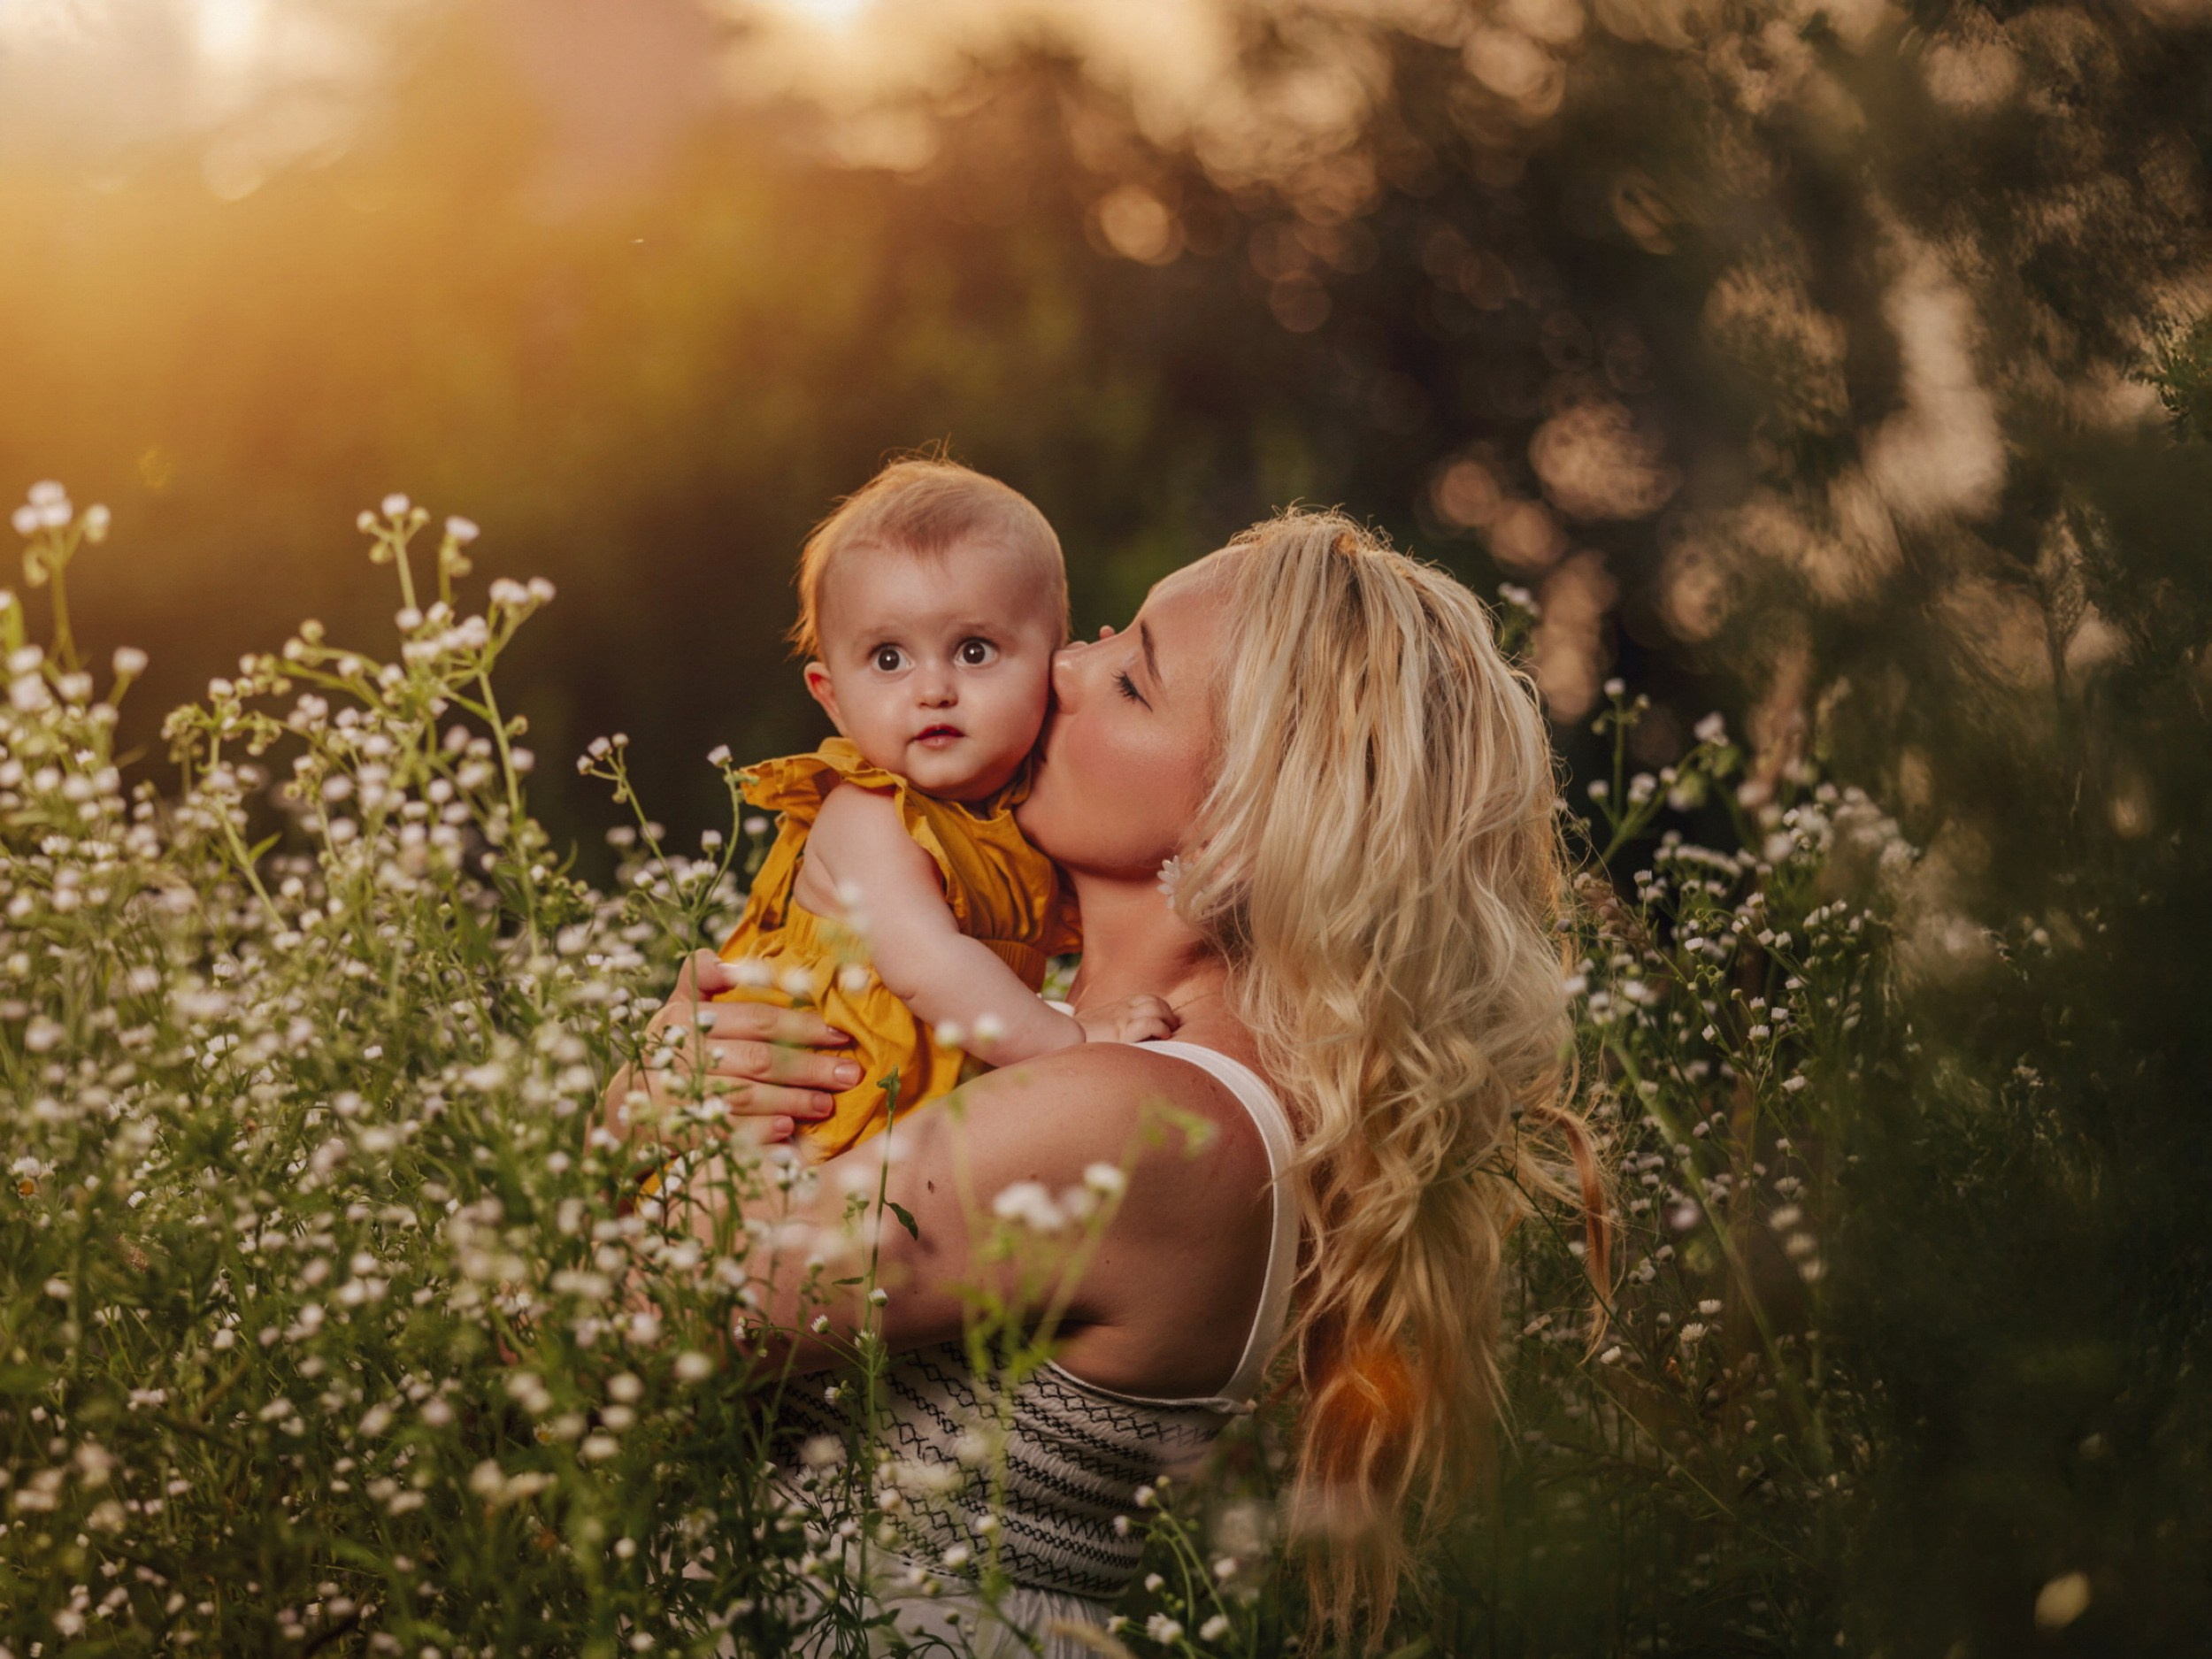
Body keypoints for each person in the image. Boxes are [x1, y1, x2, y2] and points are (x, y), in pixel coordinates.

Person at [613, 509, 1604, 1652]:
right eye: (1102, 636)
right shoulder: (1070, 1041)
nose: (1065, 665)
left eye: (1133, 679)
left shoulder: (1139, 1120)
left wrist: (634, 1119)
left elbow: (625, 1322)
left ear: (1245, 824)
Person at [706, 457, 1174, 1162]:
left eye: (974, 650)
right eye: (889, 658)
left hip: (913, 1140)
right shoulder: (868, 816)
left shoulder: (1025, 813)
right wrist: (1073, 1040)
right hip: (804, 1127)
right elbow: (928, 965)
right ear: (831, 696)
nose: (933, 689)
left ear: (1053, 664)